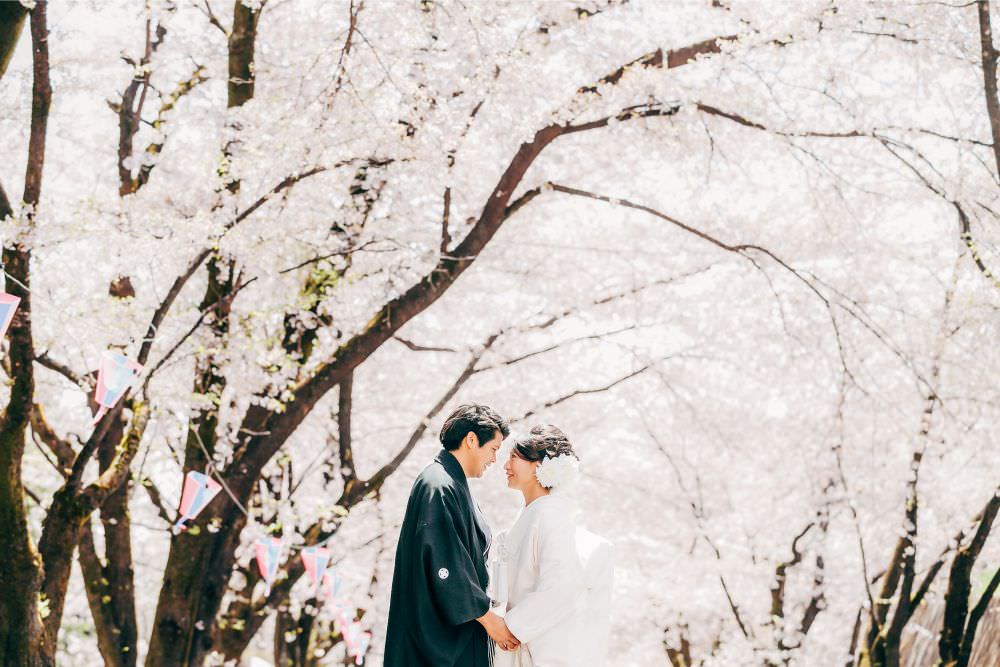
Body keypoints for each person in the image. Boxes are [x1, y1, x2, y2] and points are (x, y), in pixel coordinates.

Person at [384, 403, 520, 666]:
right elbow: (446, 566)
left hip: (452, 631)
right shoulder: (439, 485)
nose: (495, 460)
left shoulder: (448, 482)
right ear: (471, 440)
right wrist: (489, 620)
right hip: (437, 639)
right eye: (493, 449)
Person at [491, 425, 613, 667]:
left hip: (538, 651)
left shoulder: (550, 516)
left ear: (540, 465)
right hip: (521, 646)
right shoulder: (535, 514)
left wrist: (511, 627)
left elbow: (563, 586)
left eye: (514, 457)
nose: (505, 465)